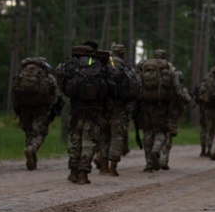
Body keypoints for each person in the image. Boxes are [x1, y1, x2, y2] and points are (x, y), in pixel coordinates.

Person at [55, 40, 115, 185]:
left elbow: (60, 75)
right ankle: (83, 173)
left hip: (76, 109)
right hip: (95, 110)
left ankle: (73, 172)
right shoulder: (102, 63)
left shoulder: (73, 62)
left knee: (75, 140)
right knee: (89, 141)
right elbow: (113, 84)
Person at [135, 49, 189, 172]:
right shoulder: (169, 70)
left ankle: (148, 164)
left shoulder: (144, 67)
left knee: (147, 133)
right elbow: (177, 89)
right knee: (162, 132)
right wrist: (181, 102)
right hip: (162, 107)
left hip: (145, 106)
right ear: (165, 56)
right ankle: (156, 149)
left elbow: (137, 85)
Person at [96, 43, 139, 177]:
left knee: (104, 136)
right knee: (117, 136)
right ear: (123, 54)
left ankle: (103, 167)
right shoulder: (127, 69)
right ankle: (113, 167)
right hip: (119, 108)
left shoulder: (102, 67)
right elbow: (136, 88)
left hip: (103, 107)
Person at [12, 57, 62, 170]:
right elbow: (57, 95)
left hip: (24, 109)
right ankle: (32, 149)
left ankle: (31, 157)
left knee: (29, 132)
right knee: (40, 133)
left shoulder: (22, 75)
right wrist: (53, 109)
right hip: (41, 108)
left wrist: (17, 110)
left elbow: (16, 93)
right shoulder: (47, 77)